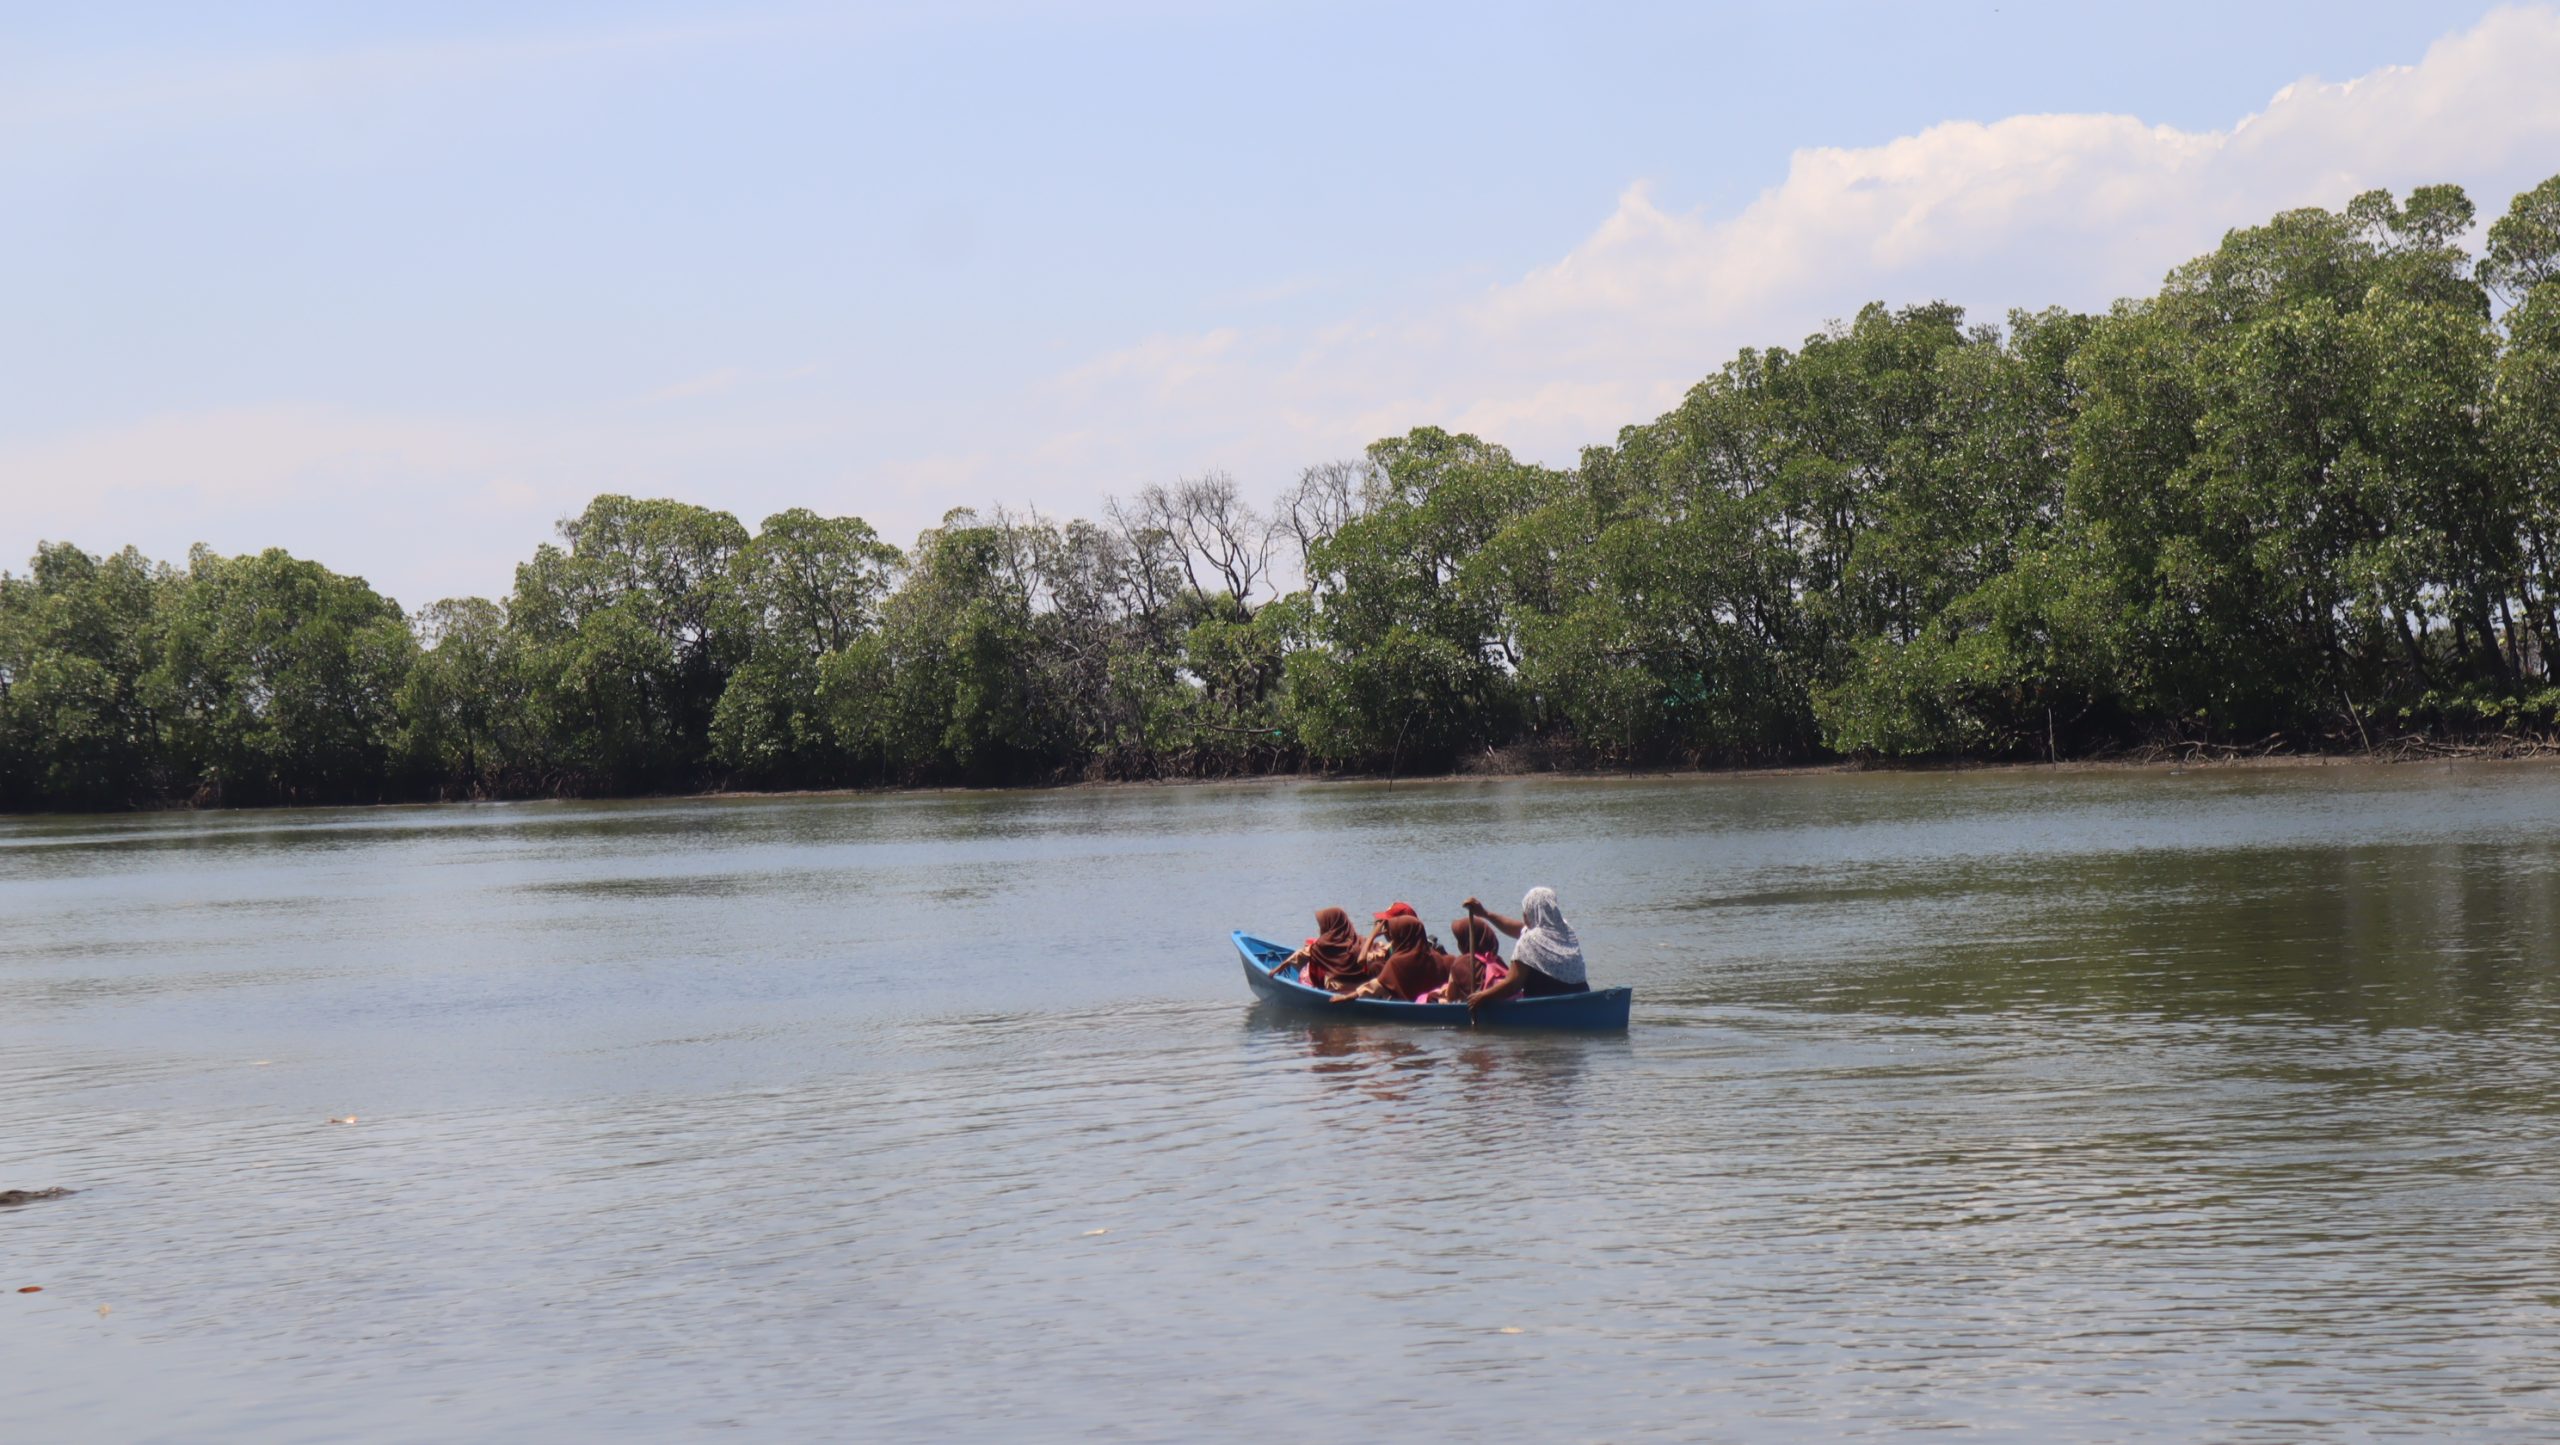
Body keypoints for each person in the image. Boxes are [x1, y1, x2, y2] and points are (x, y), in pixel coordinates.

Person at [1462, 887, 1590, 1008]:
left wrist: (1481, 997)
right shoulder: (1567, 930)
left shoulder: (1529, 940)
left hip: (1548, 1006)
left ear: (1528, 913)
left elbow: (1513, 985)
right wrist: (1485, 914)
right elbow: (1519, 929)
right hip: (1580, 999)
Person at [1333, 914, 1451, 1003]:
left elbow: (1378, 986)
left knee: (1376, 967)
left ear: (1402, 937)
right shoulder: (1439, 958)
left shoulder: (1397, 962)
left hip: (1405, 1009)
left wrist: (1350, 996)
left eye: (1394, 935)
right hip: (1429, 1005)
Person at [1420, 914, 1507, 1004]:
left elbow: (1451, 997)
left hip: (1478, 1009)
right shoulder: (1497, 960)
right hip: (1502, 1005)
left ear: (1465, 942)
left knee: (1432, 998)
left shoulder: (1462, 963)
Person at [1283, 907, 1372, 993]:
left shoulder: (1323, 946)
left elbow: (1300, 955)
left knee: (1311, 961)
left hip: (1336, 988)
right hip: (1361, 988)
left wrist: (1276, 970)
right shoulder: (1360, 941)